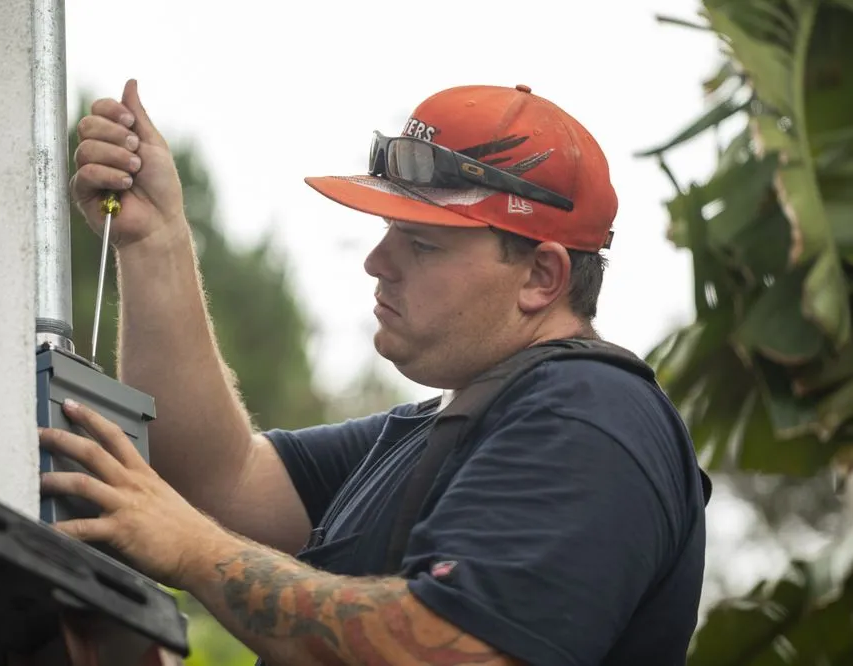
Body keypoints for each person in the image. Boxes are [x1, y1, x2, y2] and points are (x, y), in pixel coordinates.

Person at [39, 78, 710, 666]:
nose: (377, 262)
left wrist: (194, 552)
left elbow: (446, 651)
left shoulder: (585, 415)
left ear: (541, 276)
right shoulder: (438, 430)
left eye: (421, 244)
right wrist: (155, 238)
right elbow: (219, 479)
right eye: (389, 231)